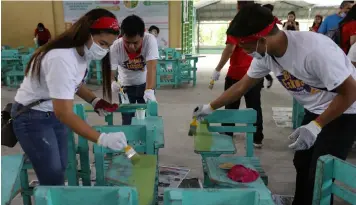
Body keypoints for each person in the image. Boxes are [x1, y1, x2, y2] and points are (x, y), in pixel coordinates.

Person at [193, 4, 356, 205]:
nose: (245, 52)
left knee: (321, 172)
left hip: (346, 110)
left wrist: (316, 126)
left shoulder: (314, 50)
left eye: (245, 47)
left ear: (261, 40)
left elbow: (350, 92)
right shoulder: (265, 54)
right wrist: (210, 107)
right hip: (316, 108)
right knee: (301, 162)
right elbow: (242, 86)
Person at [12, 9, 128, 186]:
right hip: (32, 117)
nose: (104, 50)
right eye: (102, 43)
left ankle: (53, 190)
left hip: (51, 113)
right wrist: (102, 138)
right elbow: (64, 113)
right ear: (87, 33)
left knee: (61, 166)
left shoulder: (81, 53)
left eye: (108, 47)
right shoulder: (61, 58)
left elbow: (73, 83)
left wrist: (94, 101)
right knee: (52, 173)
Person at [211, 0, 264, 148]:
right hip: (256, 72)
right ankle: (257, 137)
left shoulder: (236, 24)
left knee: (230, 103)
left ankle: (228, 133)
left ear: (238, 7)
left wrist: (217, 69)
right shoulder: (260, 23)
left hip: (237, 73)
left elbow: (230, 49)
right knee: (254, 106)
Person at [110, 15, 159, 125]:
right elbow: (111, 72)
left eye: (135, 43)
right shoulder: (115, 47)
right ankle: (128, 141)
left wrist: (149, 90)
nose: (131, 47)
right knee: (127, 120)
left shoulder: (150, 40)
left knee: (147, 118)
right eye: (127, 42)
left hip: (145, 85)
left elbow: (152, 67)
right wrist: (113, 82)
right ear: (122, 36)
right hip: (125, 88)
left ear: (143, 36)